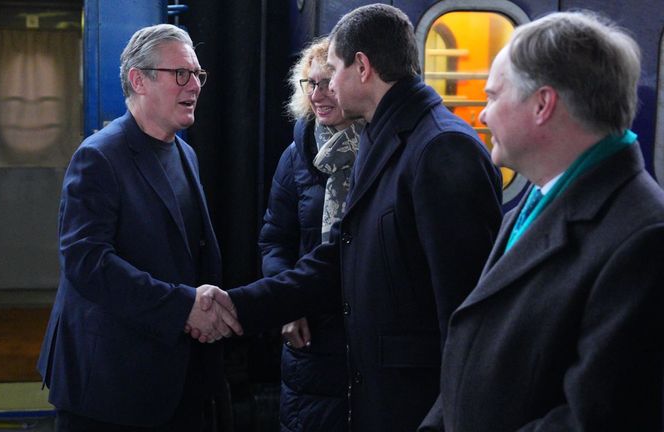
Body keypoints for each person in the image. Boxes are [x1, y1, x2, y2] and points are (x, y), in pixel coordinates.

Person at [193, 4, 503, 431]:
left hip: (416, 407)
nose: (327, 87)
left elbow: (465, 313)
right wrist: (241, 306)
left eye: (334, 70)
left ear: (362, 67)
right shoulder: (382, 135)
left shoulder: (442, 149)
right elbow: (339, 257)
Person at [418, 11, 664, 431]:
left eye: (493, 97)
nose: (482, 116)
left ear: (542, 104)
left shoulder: (642, 238)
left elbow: (594, 419)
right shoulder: (536, 198)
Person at [37, 24, 241, 431]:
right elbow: (87, 264)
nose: (194, 85)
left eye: (197, 75)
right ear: (138, 80)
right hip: (109, 390)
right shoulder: (98, 157)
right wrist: (183, 307)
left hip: (176, 382)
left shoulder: (185, 153)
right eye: (180, 73)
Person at [260, 37, 361, 432]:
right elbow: (274, 240)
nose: (318, 95)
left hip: (363, 328)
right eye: (310, 84)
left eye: (327, 83)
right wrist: (286, 304)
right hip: (311, 334)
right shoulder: (298, 153)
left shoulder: (382, 147)